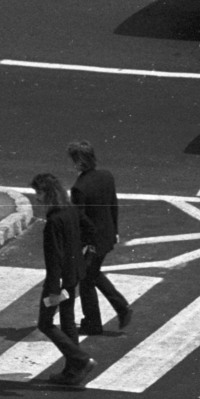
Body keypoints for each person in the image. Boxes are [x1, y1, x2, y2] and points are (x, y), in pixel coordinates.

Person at [31, 172, 95, 387]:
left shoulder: (53, 222)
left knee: (45, 323)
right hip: (74, 273)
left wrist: (52, 289)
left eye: (38, 193)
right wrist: (79, 255)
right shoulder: (72, 210)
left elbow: (54, 259)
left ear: (47, 193)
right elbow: (90, 230)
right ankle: (72, 370)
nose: (37, 198)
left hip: (58, 281)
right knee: (68, 320)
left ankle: (80, 360)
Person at [68, 140, 132, 334]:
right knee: (91, 275)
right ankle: (113, 312)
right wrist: (116, 230)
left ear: (79, 161)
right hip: (107, 235)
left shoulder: (80, 187)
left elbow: (81, 221)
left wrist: (80, 245)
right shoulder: (106, 176)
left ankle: (98, 320)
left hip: (92, 242)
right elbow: (113, 204)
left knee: (87, 279)